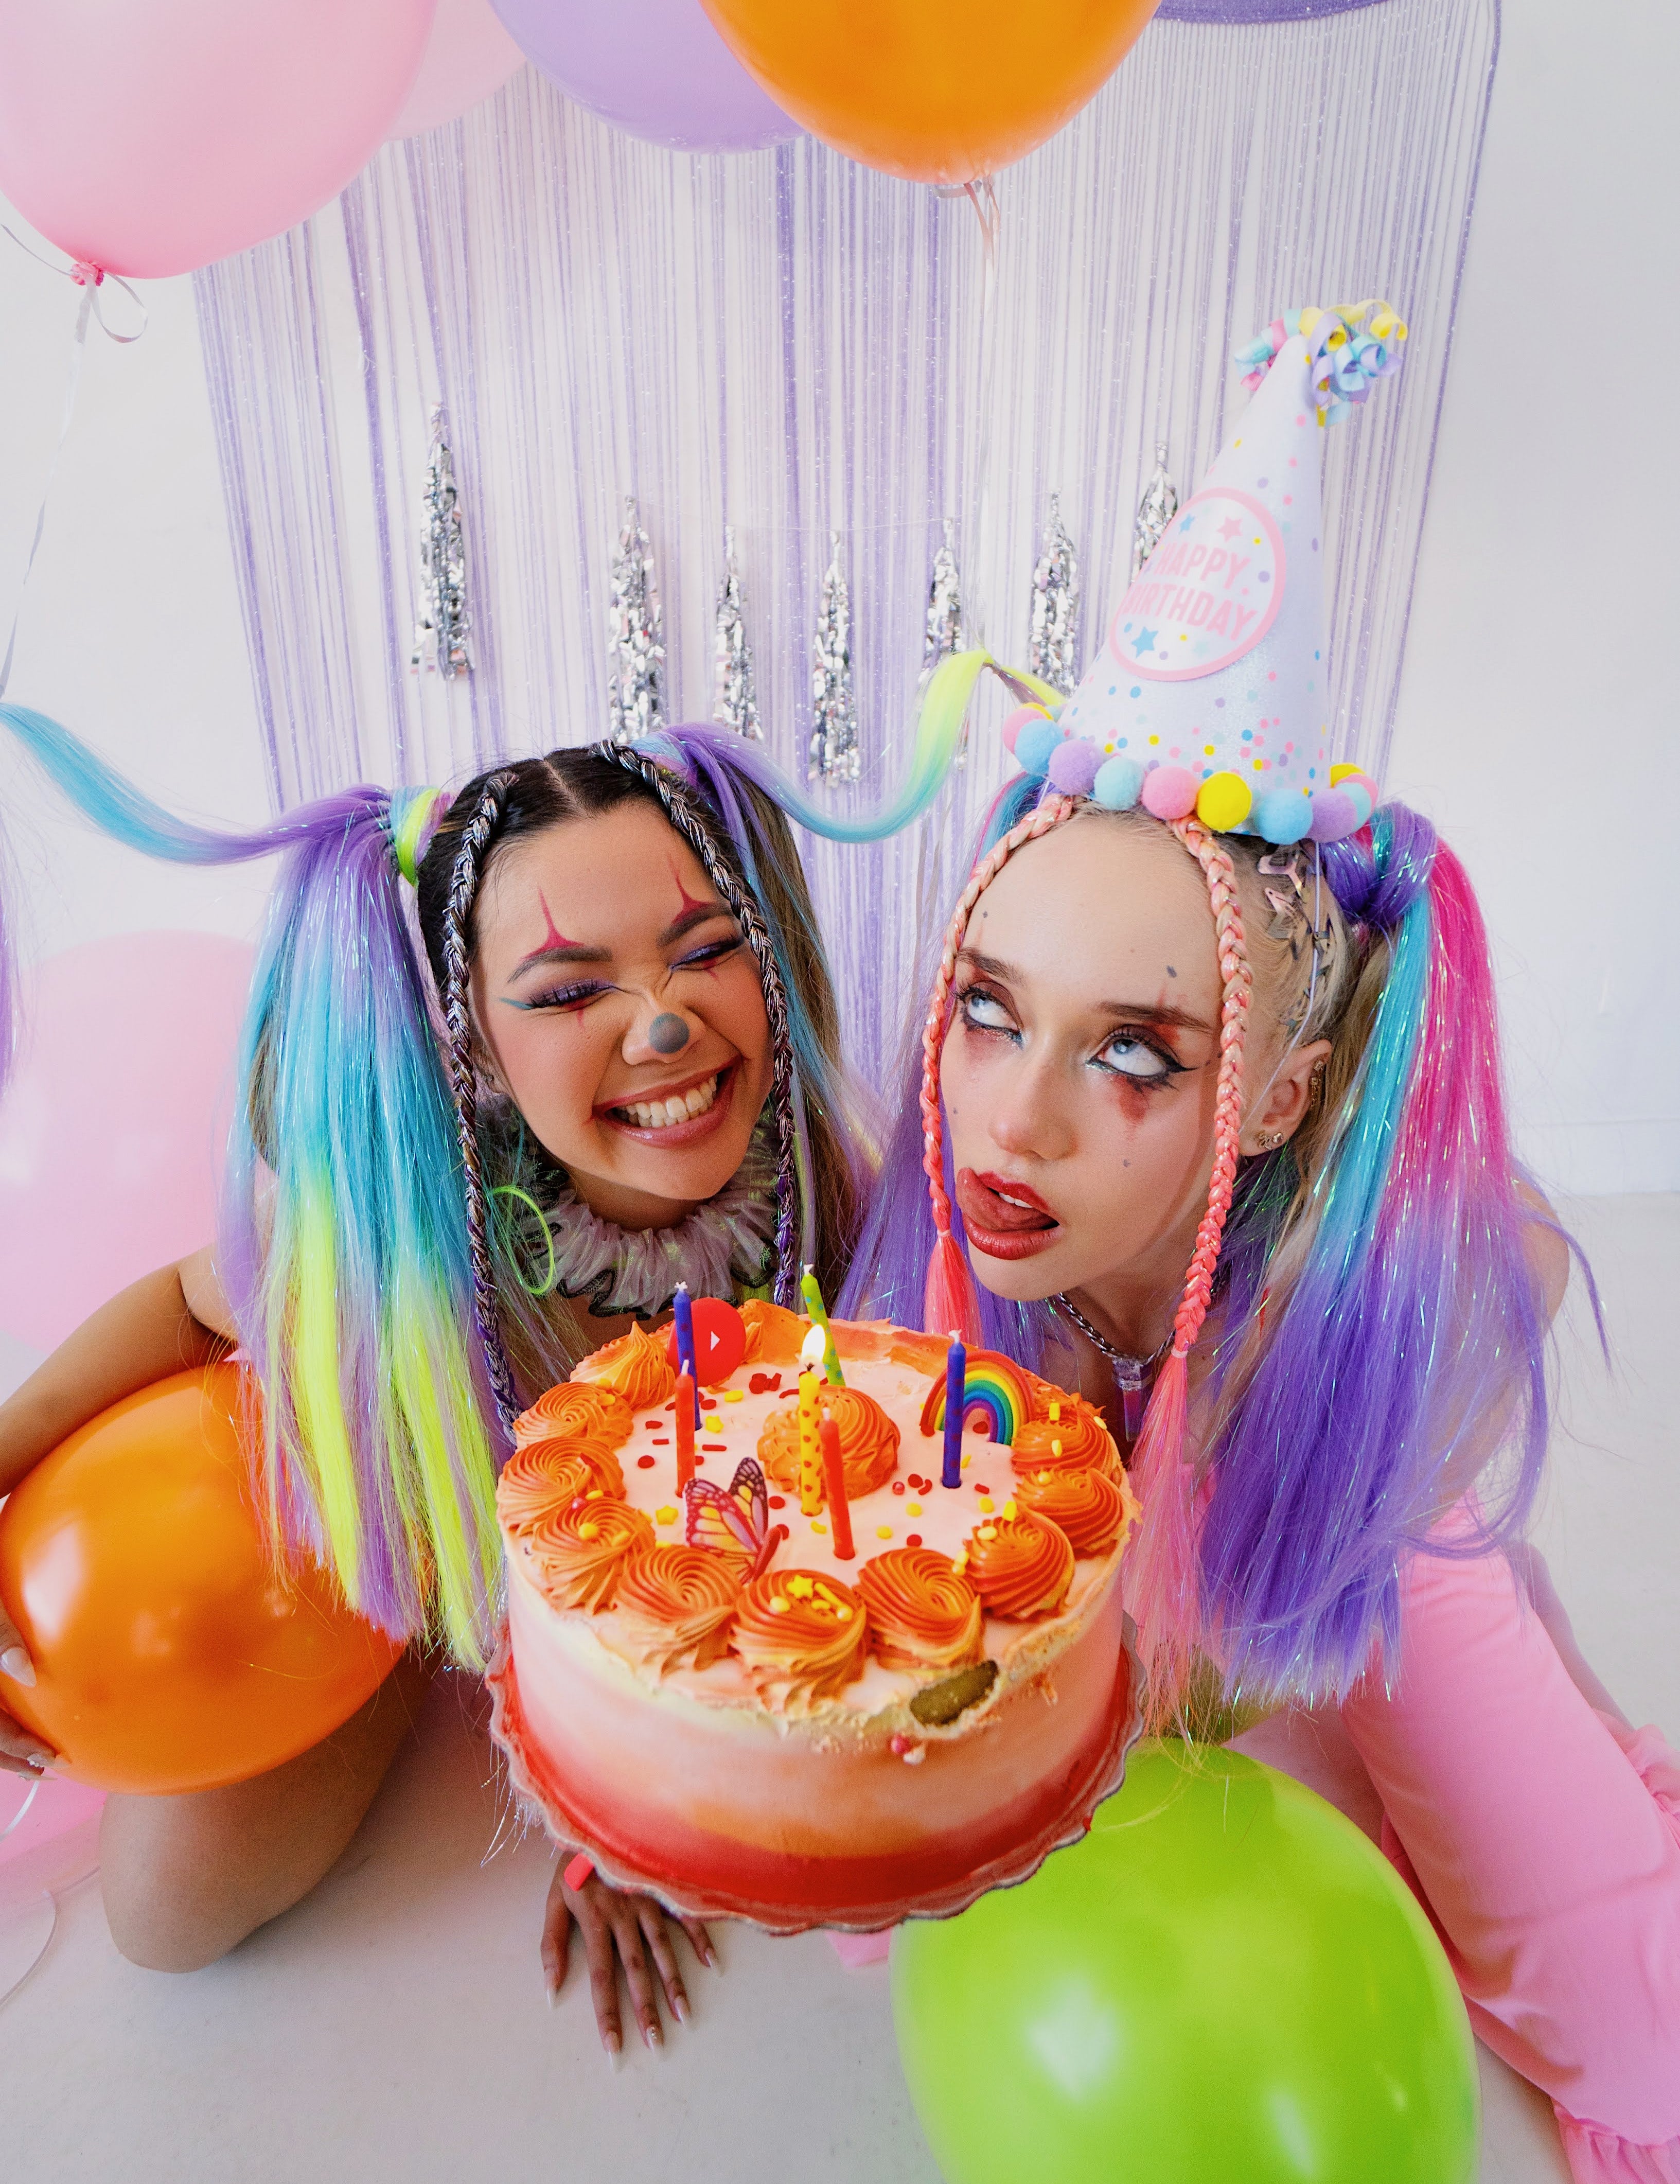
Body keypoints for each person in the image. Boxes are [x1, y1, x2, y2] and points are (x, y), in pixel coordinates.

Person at [844, 304, 1680, 2179]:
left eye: (1131, 1051)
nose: (1013, 1120)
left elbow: (1521, 1266)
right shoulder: (951, 1248)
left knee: (1637, 2025)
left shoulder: (1370, 1285)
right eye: (988, 1009)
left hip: (1354, 1508)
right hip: (1133, 1562)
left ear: (1280, 1097)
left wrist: (1324, 1482)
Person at [0, 710, 899, 2059]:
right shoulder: (411, 1253)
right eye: (568, 989)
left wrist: (616, 1811)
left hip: (642, 1598)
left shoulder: (825, 1195)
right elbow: (185, 1301)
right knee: (167, 1917)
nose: (664, 1022)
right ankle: (399, 1613)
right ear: (473, 1039)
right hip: (422, 1539)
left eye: (707, 949)